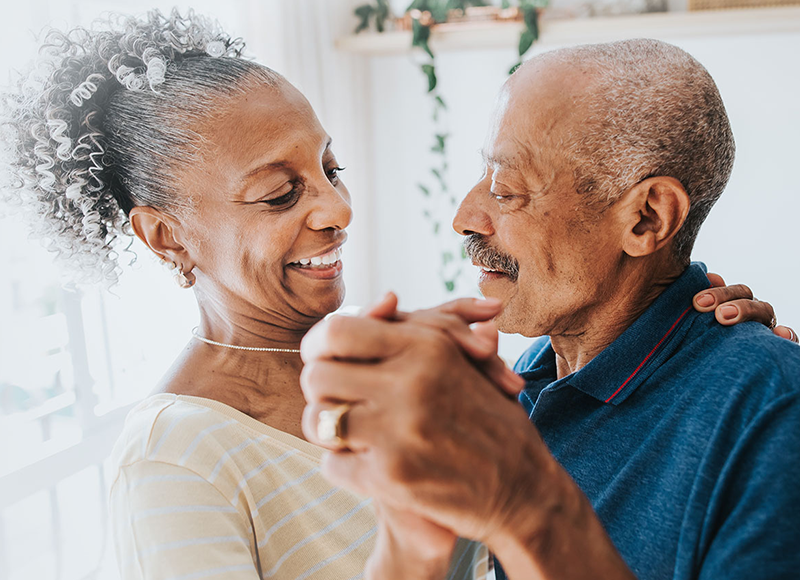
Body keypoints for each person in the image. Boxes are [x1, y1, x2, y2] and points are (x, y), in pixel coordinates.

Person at [0, 10, 791, 580]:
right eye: (280, 193)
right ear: (168, 237)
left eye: (330, 171)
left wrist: (747, 375)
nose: (339, 211)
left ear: (648, 219)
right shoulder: (177, 457)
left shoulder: (518, 376)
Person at [298, 39, 800, 580]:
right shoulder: (529, 377)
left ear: (647, 219)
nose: (465, 217)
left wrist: (528, 508)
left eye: (507, 188)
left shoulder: (771, 410)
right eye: (483, 173)